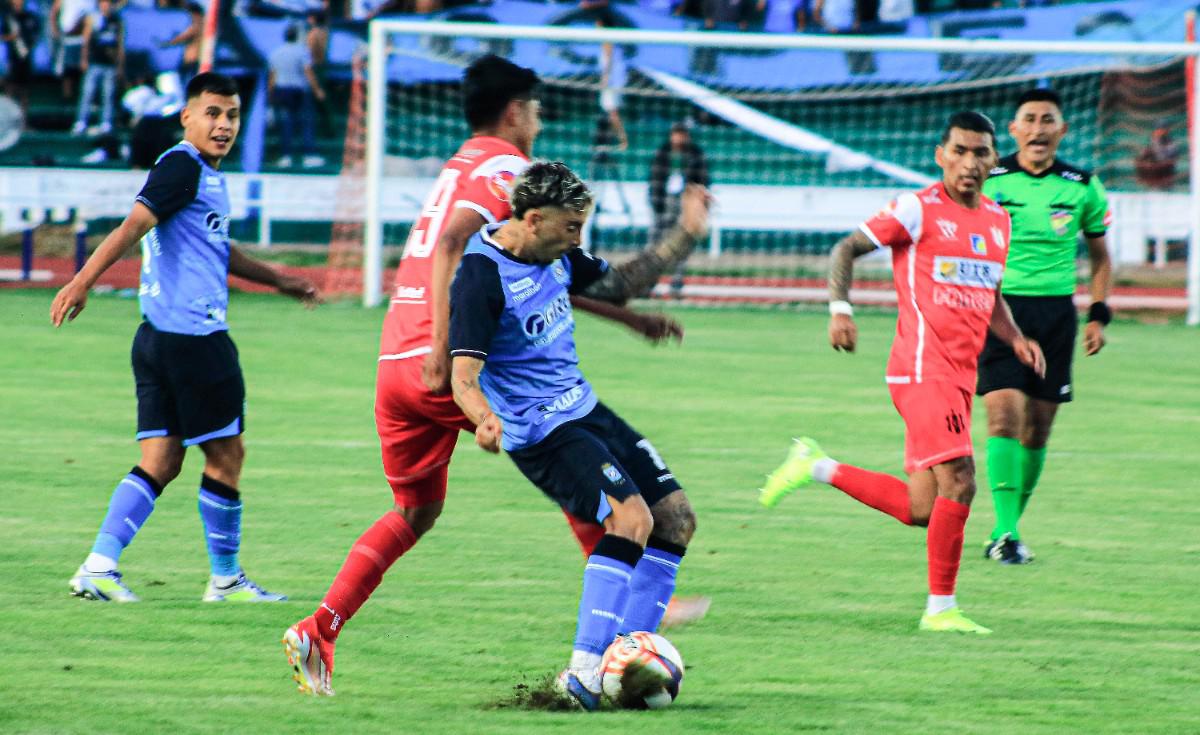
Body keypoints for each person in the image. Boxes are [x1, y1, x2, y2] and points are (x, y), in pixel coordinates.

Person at [280, 55, 708, 699]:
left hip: (395, 360)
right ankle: (618, 630)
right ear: (516, 110)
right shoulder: (507, 168)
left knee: (416, 511)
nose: (539, 120)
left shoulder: (462, 163)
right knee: (569, 446)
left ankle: (320, 628)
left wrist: (627, 319)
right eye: (536, 108)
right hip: (452, 357)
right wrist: (444, 350)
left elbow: (540, 273)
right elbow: (456, 247)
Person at [759, 111, 1045, 635]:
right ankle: (941, 610)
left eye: (981, 152)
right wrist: (839, 311)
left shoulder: (998, 221)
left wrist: (1016, 338)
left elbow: (989, 293)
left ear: (993, 160)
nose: (970, 162)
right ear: (941, 155)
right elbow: (846, 248)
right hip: (921, 370)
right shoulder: (917, 208)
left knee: (923, 507)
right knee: (961, 482)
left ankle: (815, 465)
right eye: (959, 151)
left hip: (959, 375)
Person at [50, 72, 321, 604]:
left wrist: (280, 280)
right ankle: (225, 579)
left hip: (156, 339)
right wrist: (82, 281)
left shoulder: (197, 174)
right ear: (187, 117)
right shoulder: (182, 166)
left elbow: (217, 249)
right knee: (227, 456)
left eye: (233, 115)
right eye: (213, 113)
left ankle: (98, 568)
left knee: (162, 461)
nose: (223, 125)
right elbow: (132, 225)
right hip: (195, 340)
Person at [449, 162, 706, 710]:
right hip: (541, 431)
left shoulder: (557, 252)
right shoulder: (481, 276)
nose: (578, 239)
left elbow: (620, 284)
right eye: (571, 227)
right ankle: (584, 672)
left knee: (677, 519)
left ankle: (629, 658)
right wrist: (483, 419)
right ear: (535, 219)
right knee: (630, 519)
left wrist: (685, 235)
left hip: (585, 409)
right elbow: (463, 376)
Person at [977, 88, 1112, 564]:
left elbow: (1099, 256)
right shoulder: (990, 180)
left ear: (1062, 129)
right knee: (1003, 417)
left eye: (1047, 120)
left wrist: (1098, 313)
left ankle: (1006, 529)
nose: (1037, 128)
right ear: (1013, 130)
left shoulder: (1083, 185)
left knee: (1038, 429)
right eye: (1028, 120)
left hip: (1056, 315)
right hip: (999, 309)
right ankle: (1005, 533)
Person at [649, 120, 710, 296]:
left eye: (682, 135)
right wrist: (656, 203)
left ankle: (676, 284)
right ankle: (648, 284)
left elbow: (703, 179)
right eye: (676, 135)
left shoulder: (696, 154)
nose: (679, 138)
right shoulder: (662, 153)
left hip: (686, 203)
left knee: (682, 245)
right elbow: (654, 179)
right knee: (655, 245)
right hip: (664, 203)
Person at [268, 21, 325, 168]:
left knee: (286, 123)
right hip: (298, 90)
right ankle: (309, 155)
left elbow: (272, 76)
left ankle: (285, 156)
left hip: (282, 90)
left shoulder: (276, 52)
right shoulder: (302, 51)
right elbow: (308, 72)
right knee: (306, 123)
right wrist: (317, 89)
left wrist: (271, 94)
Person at [72, 0, 125, 137]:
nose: (106, 6)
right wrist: (84, 59)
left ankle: (106, 123)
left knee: (108, 94)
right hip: (94, 61)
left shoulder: (116, 20)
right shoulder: (93, 19)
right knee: (87, 93)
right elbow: (86, 40)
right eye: (103, 3)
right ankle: (81, 122)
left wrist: (120, 64)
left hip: (110, 63)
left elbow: (120, 43)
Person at [1, 0, 40, 117]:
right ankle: (8, 118)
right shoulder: (9, 18)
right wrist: (12, 37)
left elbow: (35, 35)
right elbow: (3, 36)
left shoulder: (30, 18)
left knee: (25, 91)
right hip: (12, 59)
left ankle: (24, 121)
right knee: (11, 88)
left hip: (25, 58)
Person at [160, 2, 203, 82]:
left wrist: (167, 43)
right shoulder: (204, 25)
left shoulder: (197, 25)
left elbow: (183, 37)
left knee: (187, 80)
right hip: (198, 58)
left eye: (191, 13)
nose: (190, 16)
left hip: (192, 59)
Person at [1134, 124, 1180, 191]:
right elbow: (1143, 154)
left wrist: (1156, 142)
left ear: (1166, 131)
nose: (1158, 132)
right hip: (1153, 175)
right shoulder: (1152, 141)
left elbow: (1163, 157)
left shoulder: (1171, 143)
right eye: (1157, 130)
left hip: (1165, 173)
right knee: (1142, 161)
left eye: (1161, 130)